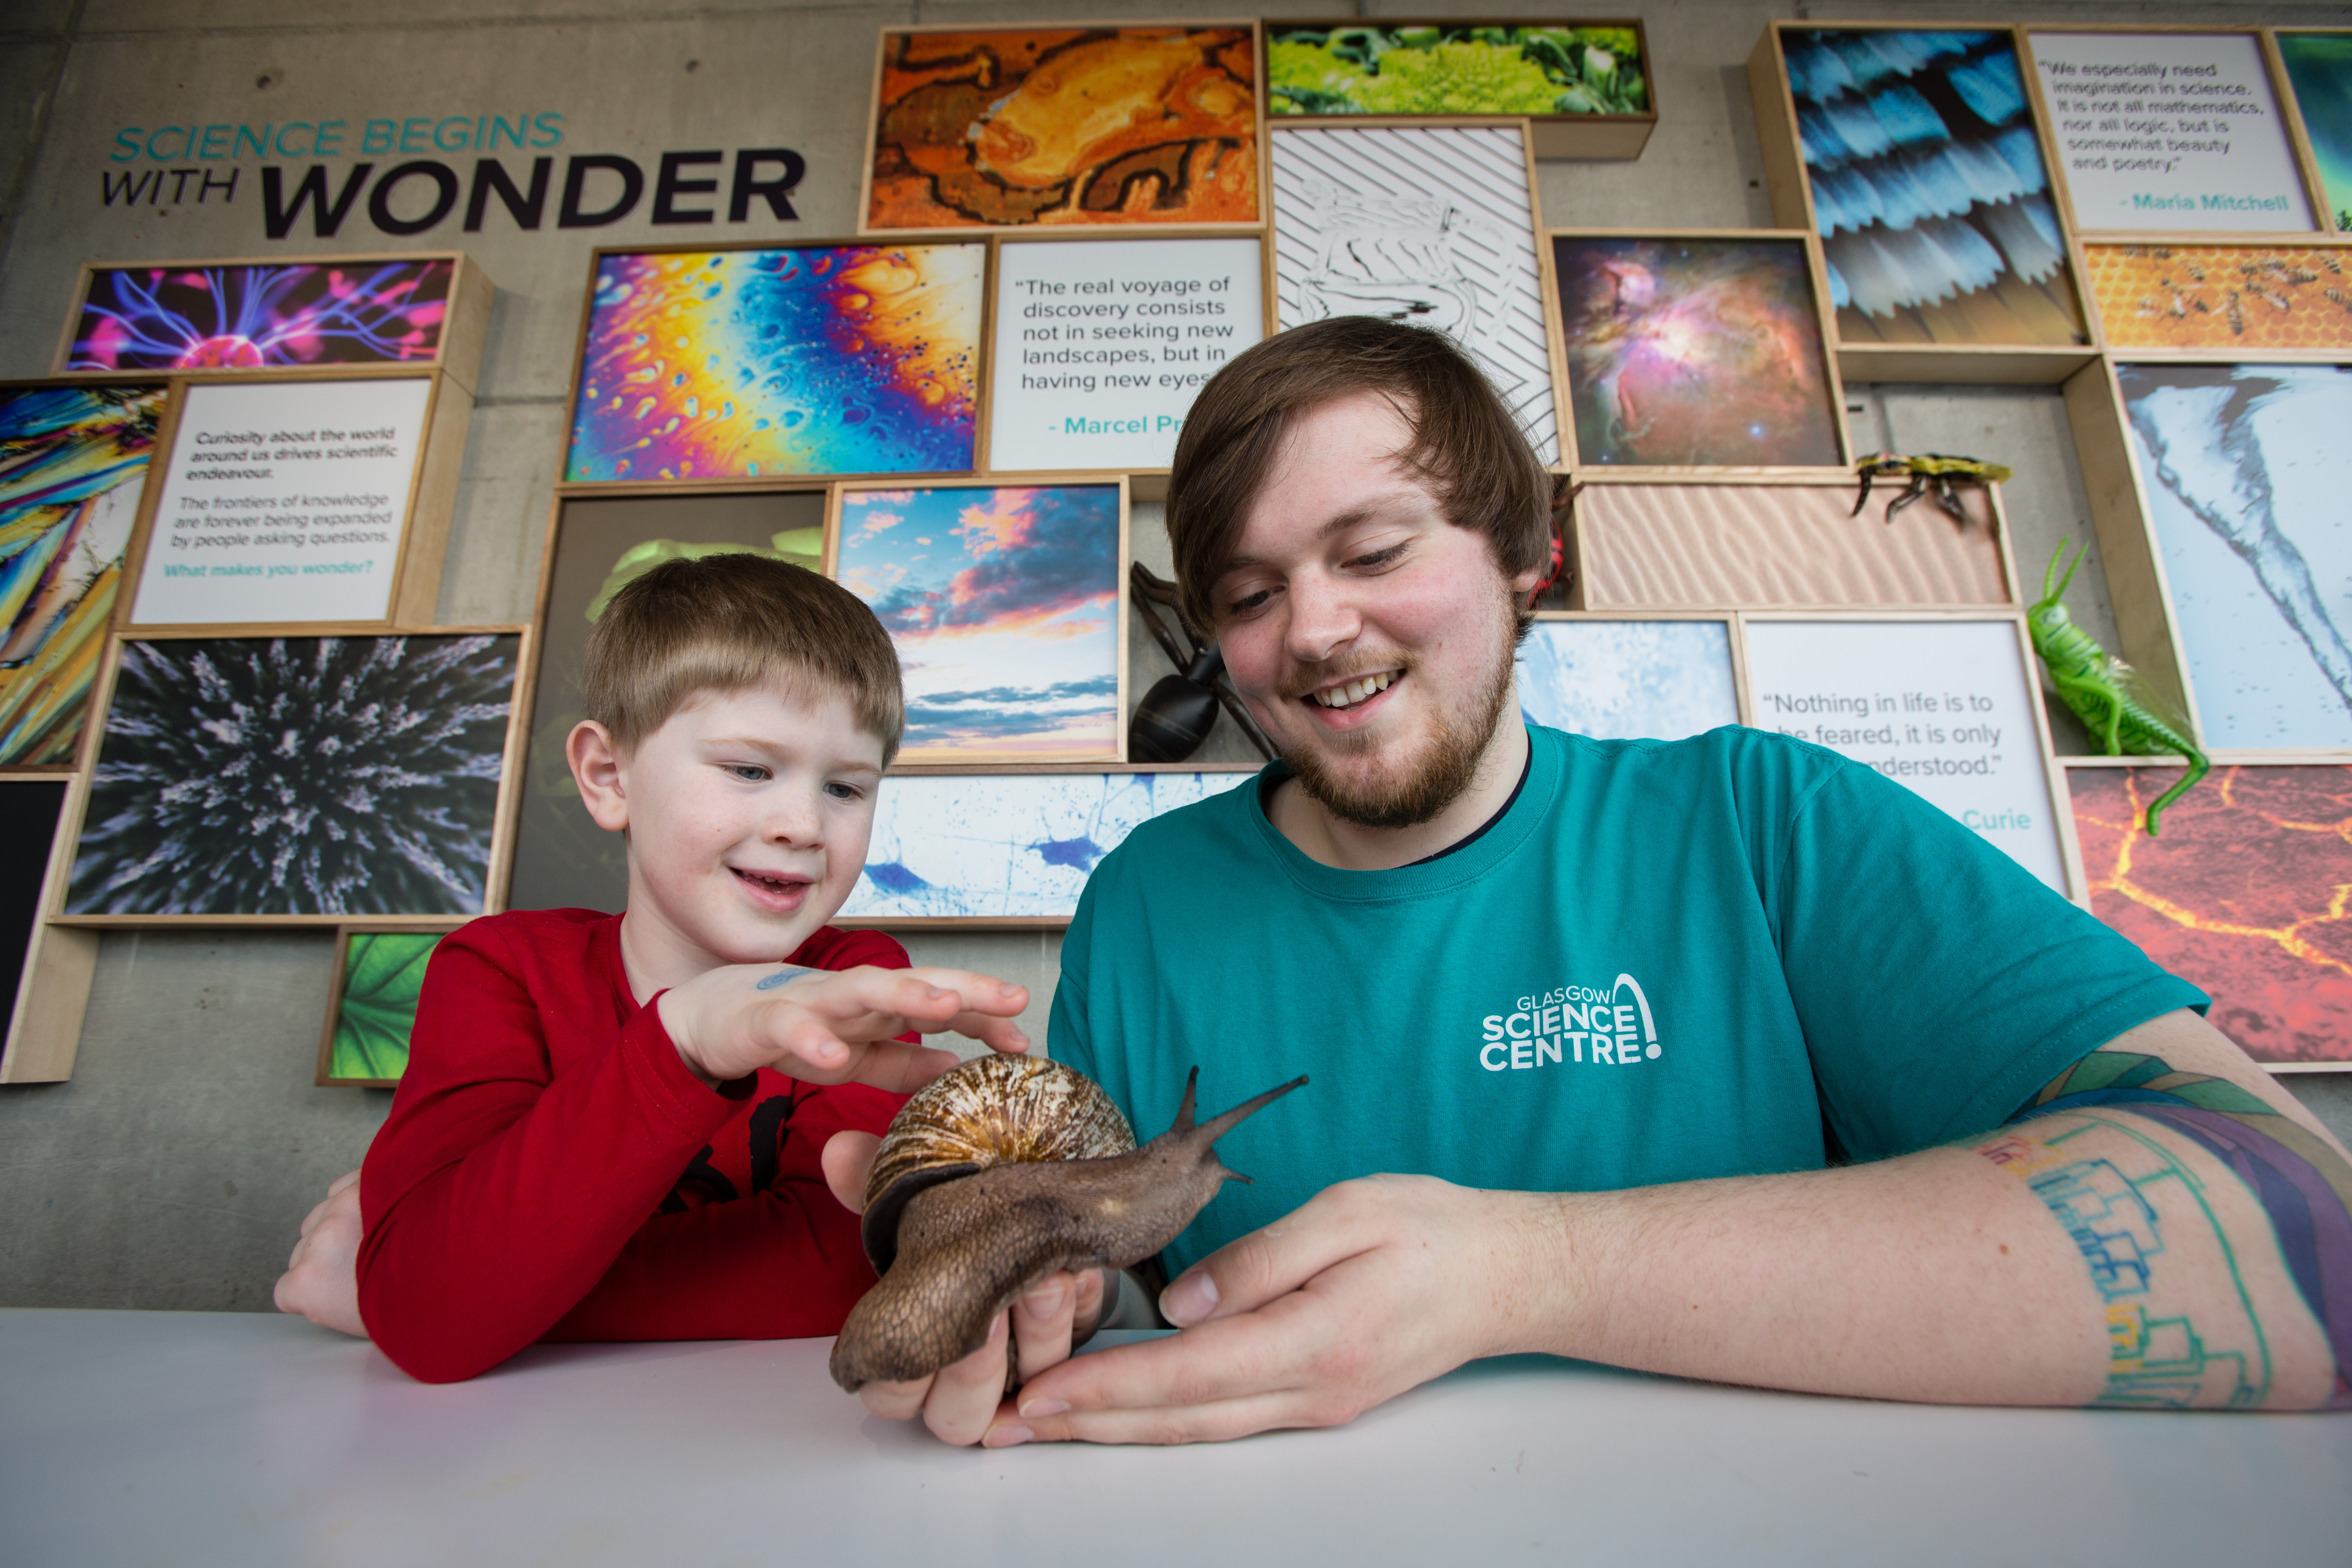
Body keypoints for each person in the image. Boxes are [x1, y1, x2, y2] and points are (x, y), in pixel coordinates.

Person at [845, 317, 2352, 1444]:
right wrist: (1001, 1277)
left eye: (1373, 549)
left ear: (1525, 555)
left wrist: (1525, 1270)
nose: (1309, 630)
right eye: (1247, 594)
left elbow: (2306, 1229)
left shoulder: (1763, 821)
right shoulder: (1149, 900)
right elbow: (1104, 1303)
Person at [273, 555, 1080, 1382]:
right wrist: (682, 1041)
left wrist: (429, 1294)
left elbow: (851, 1272)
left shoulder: (856, 976)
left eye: (845, 788)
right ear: (608, 775)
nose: (802, 823)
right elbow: (436, 1311)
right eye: (749, 770)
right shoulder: (498, 969)